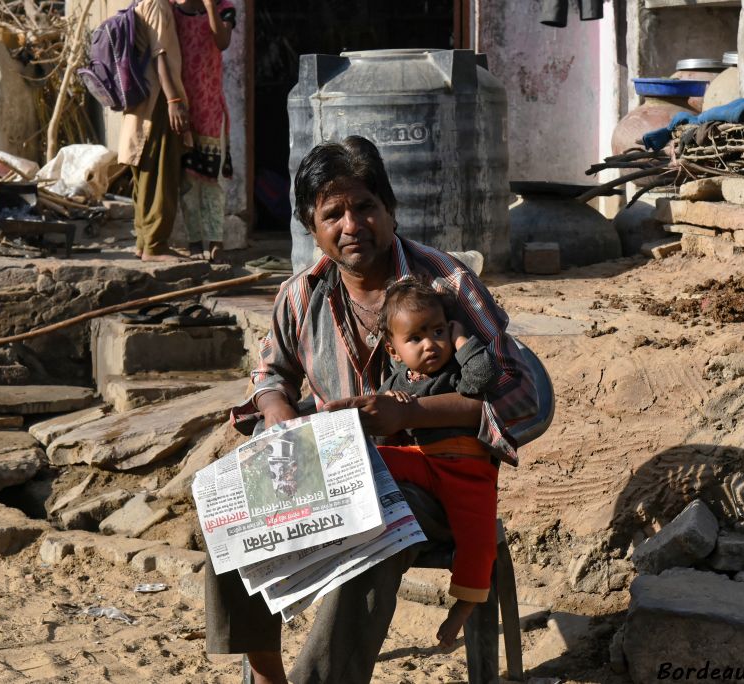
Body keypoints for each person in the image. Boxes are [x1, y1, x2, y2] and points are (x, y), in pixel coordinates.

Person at [206, 135, 539, 684]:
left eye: (365, 207)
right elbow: (268, 375)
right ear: (312, 228)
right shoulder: (299, 295)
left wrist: (408, 416)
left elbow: (520, 396)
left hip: (430, 478)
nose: (352, 224)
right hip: (328, 471)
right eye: (332, 213)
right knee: (227, 502)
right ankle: (266, 672)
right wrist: (281, 421)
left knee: (377, 524)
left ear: (391, 210)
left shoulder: (446, 284)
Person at [375, 277, 503, 650]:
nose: (430, 344)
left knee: (477, 539)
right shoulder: (398, 379)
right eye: (415, 338)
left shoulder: (457, 368)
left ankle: (463, 606)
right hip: (424, 462)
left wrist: (462, 339)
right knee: (374, 460)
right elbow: (384, 430)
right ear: (394, 350)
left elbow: (485, 378)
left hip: (466, 468)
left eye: (437, 331)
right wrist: (387, 406)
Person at [119, 0, 192, 262]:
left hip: (143, 101)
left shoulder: (143, 2)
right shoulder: (158, 5)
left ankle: (144, 242)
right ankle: (156, 246)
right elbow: (160, 55)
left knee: (146, 172)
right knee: (161, 173)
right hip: (158, 100)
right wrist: (174, 101)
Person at [170, 0, 235, 263]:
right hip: (183, 108)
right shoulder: (173, 10)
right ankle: (194, 241)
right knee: (187, 182)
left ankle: (216, 240)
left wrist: (210, 7)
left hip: (211, 109)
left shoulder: (224, 8)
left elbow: (222, 41)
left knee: (212, 182)